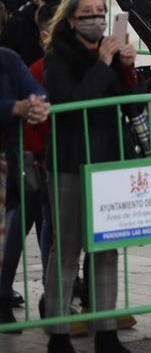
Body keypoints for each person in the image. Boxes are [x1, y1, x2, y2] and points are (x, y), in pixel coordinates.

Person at [42, 0, 136, 353]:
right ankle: (59, 332)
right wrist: (102, 64)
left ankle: (106, 332)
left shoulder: (110, 54)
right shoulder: (58, 55)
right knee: (67, 249)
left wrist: (127, 68)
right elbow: (71, 99)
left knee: (106, 248)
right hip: (70, 161)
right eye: (88, 15)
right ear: (70, 20)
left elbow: (134, 107)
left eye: (101, 13)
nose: (96, 21)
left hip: (108, 160)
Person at [0, 35, 50, 327]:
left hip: (9, 162)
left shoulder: (7, 58)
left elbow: (36, 92)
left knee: (11, 232)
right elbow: (14, 106)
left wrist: (36, 103)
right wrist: (12, 108)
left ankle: (3, 295)